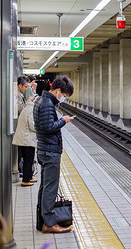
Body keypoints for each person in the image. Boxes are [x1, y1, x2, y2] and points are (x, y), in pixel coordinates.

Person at [34, 75, 75, 233]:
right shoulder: (47, 103)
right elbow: (48, 127)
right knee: (50, 188)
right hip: (50, 151)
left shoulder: (42, 100)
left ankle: (43, 220)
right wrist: (64, 120)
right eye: (64, 95)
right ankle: (49, 223)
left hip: (45, 149)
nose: (63, 98)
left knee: (46, 187)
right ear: (58, 91)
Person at [12, 99, 37, 187]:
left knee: (29, 159)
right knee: (28, 160)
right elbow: (32, 126)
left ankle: (29, 177)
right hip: (26, 139)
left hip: (25, 139)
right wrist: (40, 126)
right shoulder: (31, 110)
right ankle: (26, 180)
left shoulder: (27, 108)